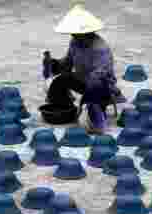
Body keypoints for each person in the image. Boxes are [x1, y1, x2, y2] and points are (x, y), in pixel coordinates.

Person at [44, 5, 124, 133]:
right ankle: (64, 109)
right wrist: (54, 63)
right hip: (84, 79)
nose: (73, 35)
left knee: (94, 89)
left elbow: (99, 75)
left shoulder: (99, 48)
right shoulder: (75, 42)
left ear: (87, 32)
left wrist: (84, 103)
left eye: (76, 33)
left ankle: (94, 112)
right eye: (73, 33)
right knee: (60, 81)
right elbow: (67, 64)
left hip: (103, 86)